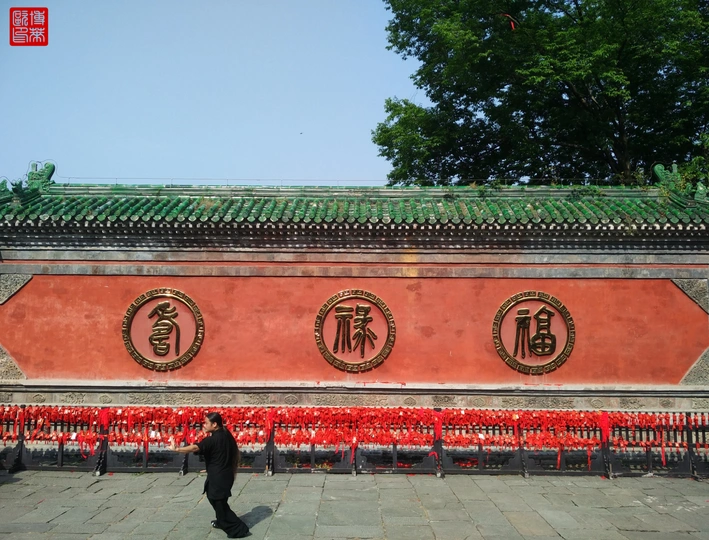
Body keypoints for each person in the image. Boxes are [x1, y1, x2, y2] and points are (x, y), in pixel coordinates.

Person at [171, 412, 250, 538]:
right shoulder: (226, 434)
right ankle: (221, 521)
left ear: (214, 424)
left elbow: (195, 448)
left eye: (206, 423)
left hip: (218, 477)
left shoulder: (212, 440)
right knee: (218, 500)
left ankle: (238, 529)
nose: (204, 425)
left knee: (219, 502)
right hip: (225, 475)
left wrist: (177, 449)